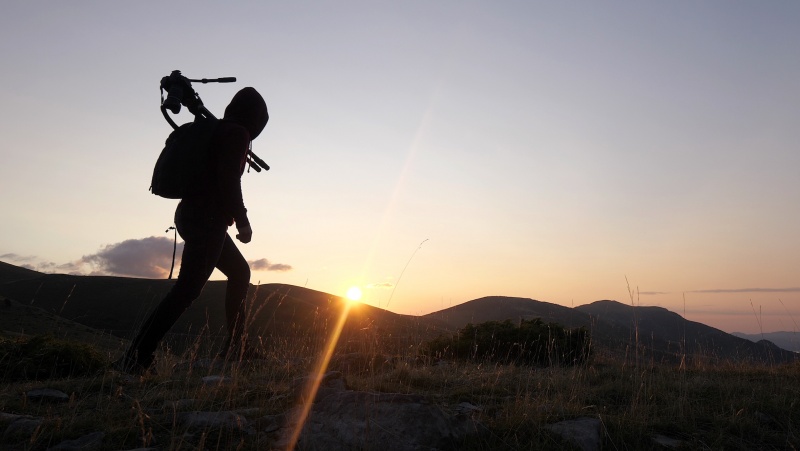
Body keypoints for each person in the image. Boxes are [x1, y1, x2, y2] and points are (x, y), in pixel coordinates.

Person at [117, 87, 269, 374]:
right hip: (207, 219)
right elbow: (228, 179)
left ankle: (238, 347)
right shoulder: (237, 133)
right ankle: (136, 357)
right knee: (186, 290)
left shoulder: (217, 130)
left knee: (239, 272)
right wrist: (243, 220)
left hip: (192, 214)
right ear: (257, 118)